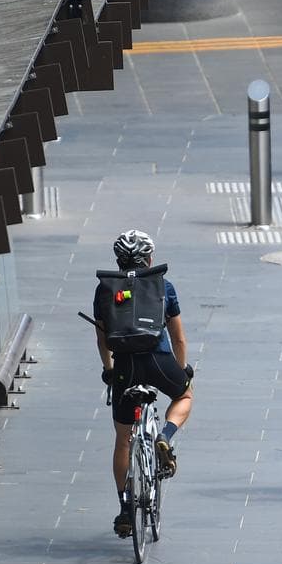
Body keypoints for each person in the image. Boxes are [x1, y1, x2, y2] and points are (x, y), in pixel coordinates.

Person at [94, 230, 194, 538]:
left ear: (118, 260)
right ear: (149, 259)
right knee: (184, 396)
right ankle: (164, 436)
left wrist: (109, 370)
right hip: (158, 361)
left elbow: (102, 339)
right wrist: (182, 370)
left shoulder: (104, 289)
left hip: (125, 368)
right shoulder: (164, 285)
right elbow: (178, 338)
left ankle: (126, 508)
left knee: (123, 439)